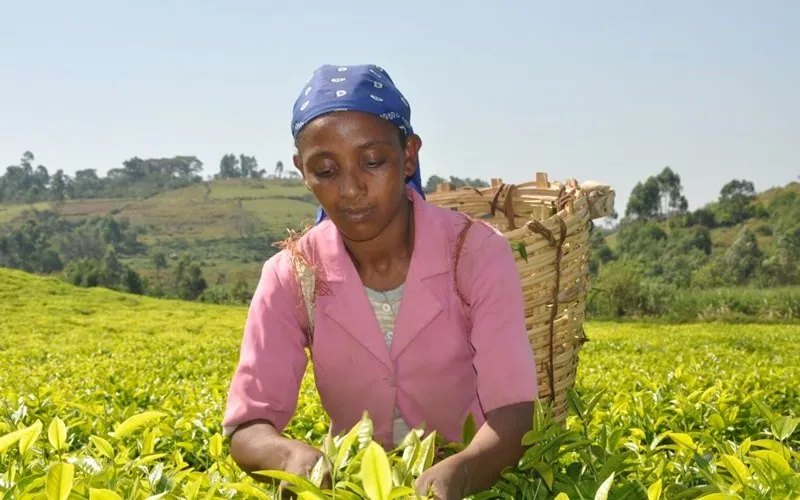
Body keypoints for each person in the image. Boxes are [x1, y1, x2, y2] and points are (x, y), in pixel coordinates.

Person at [222, 64, 538, 499]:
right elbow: (247, 424)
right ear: (302, 170)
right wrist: (289, 458)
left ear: (408, 154)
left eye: (372, 162)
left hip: (474, 479)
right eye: (326, 171)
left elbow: (514, 411)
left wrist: (462, 472)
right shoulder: (291, 275)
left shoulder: (476, 254)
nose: (351, 189)